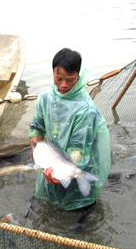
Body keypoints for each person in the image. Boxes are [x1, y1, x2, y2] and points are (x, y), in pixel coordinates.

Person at [28, 48, 111, 211]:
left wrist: (65, 173)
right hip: (50, 166)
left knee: (79, 211)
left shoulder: (86, 110)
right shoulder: (44, 99)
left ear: (78, 76)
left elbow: (78, 150)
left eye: (70, 80)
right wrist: (36, 153)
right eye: (58, 79)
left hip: (73, 168)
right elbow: (36, 130)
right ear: (52, 73)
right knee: (50, 208)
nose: (64, 85)